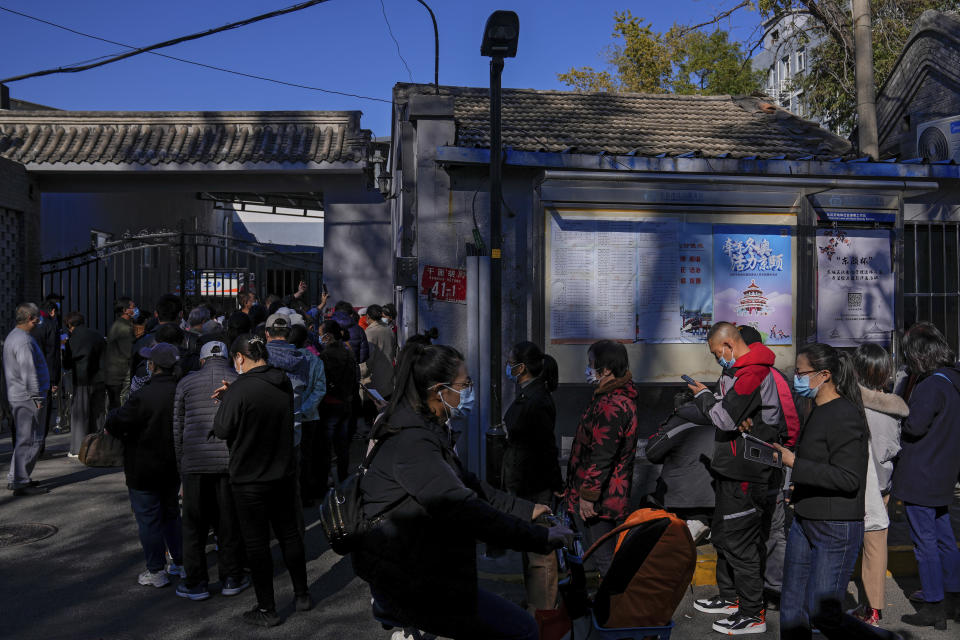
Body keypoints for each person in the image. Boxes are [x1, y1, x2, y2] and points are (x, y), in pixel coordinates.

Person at [352, 342, 571, 640]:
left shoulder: (426, 425)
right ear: (439, 390)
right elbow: (463, 508)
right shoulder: (412, 441)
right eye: (465, 384)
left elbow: (469, 484)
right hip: (406, 576)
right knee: (522, 629)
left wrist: (525, 509)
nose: (468, 390)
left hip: (421, 567)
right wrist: (539, 538)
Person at [771, 343, 892, 640]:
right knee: (791, 609)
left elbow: (848, 478)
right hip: (805, 518)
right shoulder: (817, 410)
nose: (795, 378)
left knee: (822, 614)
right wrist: (796, 485)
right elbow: (820, 463)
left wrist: (794, 464)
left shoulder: (845, 414)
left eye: (800, 373)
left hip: (835, 527)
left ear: (823, 375)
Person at [688, 322, 785, 635]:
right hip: (731, 467)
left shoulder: (751, 373)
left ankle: (752, 612)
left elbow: (724, 417)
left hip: (746, 471)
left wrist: (704, 396)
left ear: (729, 344)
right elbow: (730, 415)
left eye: (718, 353)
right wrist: (723, 407)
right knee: (724, 535)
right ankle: (731, 597)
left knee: (740, 540)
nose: (718, 360)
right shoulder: (740, 371)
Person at [212, 334, 311, 627]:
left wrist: (226, 400)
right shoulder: (282, 382)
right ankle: (302, 593)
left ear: (240, 358)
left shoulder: (240, 390)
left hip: (249, 476)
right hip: (282, 470)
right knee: (289, 534)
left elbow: (221, 429)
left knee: (256, 544)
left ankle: (267, 608)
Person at [892, 322, 960, 629]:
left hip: (921, 475)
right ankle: (953, 598)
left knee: (925, 543)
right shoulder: (953, 381)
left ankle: (933, 605)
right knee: (945, 539)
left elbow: (915, 426)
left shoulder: (931, 385)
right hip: (944, 474)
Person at [172, 340, 249, 601]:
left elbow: (177, 427)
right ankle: (231, 576)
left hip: (195, 462)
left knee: (193, 525)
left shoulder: (186, 383)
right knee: (228, 522)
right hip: (231, 461)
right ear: (228, 358)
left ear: (202, 360)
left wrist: (180, 462)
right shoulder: (239, 381)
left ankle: (196, 583)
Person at [105, 342, 183, 588]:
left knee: (149, 518)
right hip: (173, 463)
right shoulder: (181, 391)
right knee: (171, 514)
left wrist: (111, 419)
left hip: (143, 464)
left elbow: (119, 422)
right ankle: (180, 562)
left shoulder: (143, 395)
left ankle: (156, 569)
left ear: (153, 366)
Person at [739, 324, 801, 611]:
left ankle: (774, 588)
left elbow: (790, 425)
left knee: (772, 528)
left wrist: (781, 450)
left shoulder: (766, 375)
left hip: (766, 463)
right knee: (767, 527)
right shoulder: (768, 374)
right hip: (762, 462)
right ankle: (767, 587)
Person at [564, 339, 639, 577]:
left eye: (591, 364)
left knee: (604, 556)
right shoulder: (615, 397)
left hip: (602, 498)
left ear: (606, 369)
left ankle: (616, 608)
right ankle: (612, 604)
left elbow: (602, 456)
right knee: (603, 554)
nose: (588, 369)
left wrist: (587, 497)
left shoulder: (611, 404)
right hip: (604, 493)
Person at [843, 343, 906, 627]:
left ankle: (836, 607)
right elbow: (891, 451)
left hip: (851, 487)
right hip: (881, 488)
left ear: (856, 371)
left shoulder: (850, 405)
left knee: (842, 548)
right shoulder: (894, 407)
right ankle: (873, 611)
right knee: (875, 550)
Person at [502, 341, 564, 612]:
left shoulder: (537, 399)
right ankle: (534, 603)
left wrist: (555, 484)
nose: (508, 366)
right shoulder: (528, 393)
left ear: (522, 367)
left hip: (536, 483)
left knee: (540, 551)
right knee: (530, 546)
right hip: (526, 480)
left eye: (510, 361)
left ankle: (543, 610)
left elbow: (545, 447)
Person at [645, 392, 715, 543]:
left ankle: (695, 526)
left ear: (677, 408)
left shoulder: (678, 421)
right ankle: (702, 526)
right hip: (715, 495)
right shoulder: (719, 418)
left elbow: (652, 452)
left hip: (680, 498)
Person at [4, 303, 51, 496]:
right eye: (37, 318)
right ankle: (20, 481)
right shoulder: (23, 341)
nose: (39, 321)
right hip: (27, 397)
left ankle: (17, 477)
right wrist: (37, 397)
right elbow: (29, 372)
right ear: (31, 319)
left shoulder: (14, 336)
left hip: (20, 395)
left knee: (25, 439)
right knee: (32, 439)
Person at [315, 320, 358, 490]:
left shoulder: (325, 356)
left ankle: (326, 480)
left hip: (329, 404)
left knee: (326, 447)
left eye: (321, 334)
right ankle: (344, 478)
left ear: (328, 335)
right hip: (345, 404)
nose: (319, 337)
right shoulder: (348, 353)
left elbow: (323, 381)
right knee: (342, 446)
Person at [289, 324, 327, 505]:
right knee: (306, 457)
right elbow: (320, 389)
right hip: (309, 417)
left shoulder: (283, 361)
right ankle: (305, 495)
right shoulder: (315, 361)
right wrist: (305, 409)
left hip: (288, 416)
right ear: (306, 341)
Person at [62, 312, 106, 458]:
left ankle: (79, 448)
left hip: (81, 380)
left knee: (80, 414)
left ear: (70, 325)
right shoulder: (97, 335)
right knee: (97, 413)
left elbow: (67, 363)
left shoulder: (72, 339)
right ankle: (97, 445)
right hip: (99, 379)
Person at [360, 304, 396, 436]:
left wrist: (361, 374)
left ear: (368, 317)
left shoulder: (369, 333)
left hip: (373, 382)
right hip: (387, 380)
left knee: (372, 420)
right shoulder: (389, 330)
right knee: (383, 417)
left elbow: (367, 359)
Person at [31, 299, 61, 447]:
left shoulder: (30, 324)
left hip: (27, 374)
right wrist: (54, 380)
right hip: (44, 375)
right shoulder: (51, 325)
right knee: (43, 410)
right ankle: (39, 445)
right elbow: (53, 355)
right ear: (53, 311)